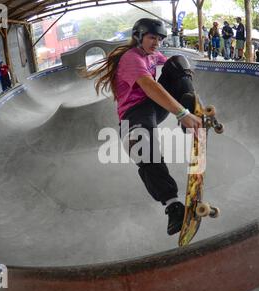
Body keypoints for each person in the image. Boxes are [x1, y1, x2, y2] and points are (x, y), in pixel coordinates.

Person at [84, 18, 202, 235]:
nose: (156, 43)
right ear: (138, 37)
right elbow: (149, 86)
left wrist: (187, 95)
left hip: (154, 109)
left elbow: (172, 68)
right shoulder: (131, 58)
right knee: (143, 148)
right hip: (134, 114)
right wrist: (180, 113)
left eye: (159, 39)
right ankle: (173, 206)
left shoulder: (152, 54)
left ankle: (191, 105)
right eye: (151, 38)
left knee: (177, 61)